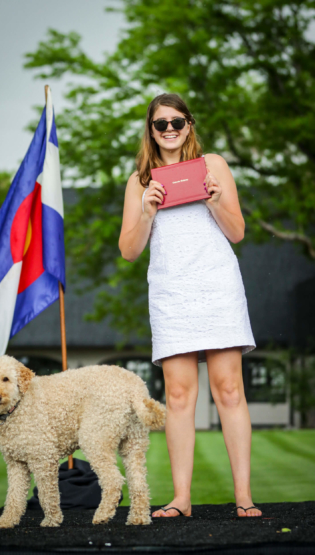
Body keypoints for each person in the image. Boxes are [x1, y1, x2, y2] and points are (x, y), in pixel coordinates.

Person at [118, 93, 262, 519]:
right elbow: (128, 251)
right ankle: (181, 500)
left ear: (188, 125)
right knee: (179, 396)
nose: (169, 130)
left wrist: (215, 199)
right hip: (171, 291)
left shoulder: (213, 165)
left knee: (230, 390)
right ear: (150, 129)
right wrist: (146, 212)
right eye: (160, 124)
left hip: (217, 284)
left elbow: (237, 232)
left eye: (176, 122)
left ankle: (244, 499)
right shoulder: (138, 181)